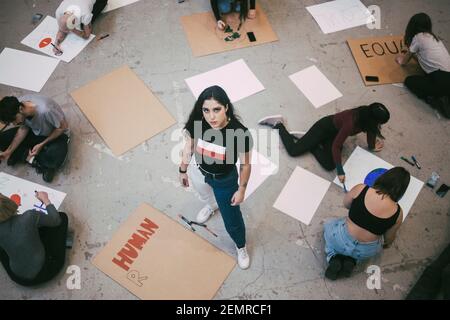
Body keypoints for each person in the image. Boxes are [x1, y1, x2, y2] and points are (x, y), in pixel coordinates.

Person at [179, 86, 253, 269]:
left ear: (226, 107)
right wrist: (183, 170)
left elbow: (245, 164)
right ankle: (211, 205)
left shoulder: (240, 132)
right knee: (204, 194)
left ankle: (240, 246)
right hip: (199, 172)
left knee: (232, 219)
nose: (211, 116)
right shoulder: (199, 121)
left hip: (225, 181)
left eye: (216, 109)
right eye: (206, 110)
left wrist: (242, 189)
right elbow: (189, 146)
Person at [258, 103, 390, 184]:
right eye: (379, 123)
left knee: (329, 165)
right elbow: (336, 146)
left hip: (334, 134)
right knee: (293, 151)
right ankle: (278, 124)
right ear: (372, 119)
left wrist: (372, 147)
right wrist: (340, 170)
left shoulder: (366, 119)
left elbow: (371, 132)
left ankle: (311, 142)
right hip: (323, 128)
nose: (378, 126)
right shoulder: (350, 123)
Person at [323, 167, 410, 280]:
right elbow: (388, 239)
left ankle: (333, 258)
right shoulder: (398, 213)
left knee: (329, 227)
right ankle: (352, 261)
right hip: (365, 250)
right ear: (402, 190)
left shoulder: (361, 189)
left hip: (341, 238)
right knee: (366, 249)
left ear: (383, 177)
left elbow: (346, 204)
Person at [0, 192, 69, 286]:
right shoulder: (29, 216)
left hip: (16, 275)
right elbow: (56, 221)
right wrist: (45, 200)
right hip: (44, 272)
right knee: (61, 217)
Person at [0, 94, 70, 183]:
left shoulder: (46, 110)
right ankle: (32, 158)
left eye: (14, 120)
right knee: (1, 139)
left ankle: (30, 157)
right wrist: (9, 151)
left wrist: (42, 144)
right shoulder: (17, 105)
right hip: (34, 131)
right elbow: (23, 128)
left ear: (21, 109)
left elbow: (63, 127)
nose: (14, 124)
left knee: (54, 158)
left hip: (56, 134)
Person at [396, 13, 450, 118]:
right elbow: (424, 59)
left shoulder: (418, 37)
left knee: (409, 81)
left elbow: (403, 62)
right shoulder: (434, 38)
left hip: (440, 81)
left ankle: (433, 97)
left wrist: (400, 58)